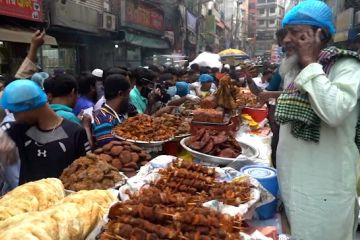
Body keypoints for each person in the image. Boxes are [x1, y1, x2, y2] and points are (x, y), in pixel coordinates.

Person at [275, 1, 360, 239]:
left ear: (321, 34)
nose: (286, 41)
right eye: (285, 33)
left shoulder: (346, 66)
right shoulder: (294, 70)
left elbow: (334, 112)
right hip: (294, 186)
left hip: (326, 192)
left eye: (296, 33)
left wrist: (312, 63)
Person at [0, 80, 90, 184]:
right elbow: (4, 130)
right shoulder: (20, 129)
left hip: (64, 197)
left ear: (29, 105)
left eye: (15, 112)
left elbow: (88, 170)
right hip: (30, 197)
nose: (16, 118)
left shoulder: (75, 133)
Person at [92, 74, 131, 147]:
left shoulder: (117, 115)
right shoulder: (104, 120)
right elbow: (111, 152)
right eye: (128, 93)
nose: (129, 98)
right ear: (120, 93)